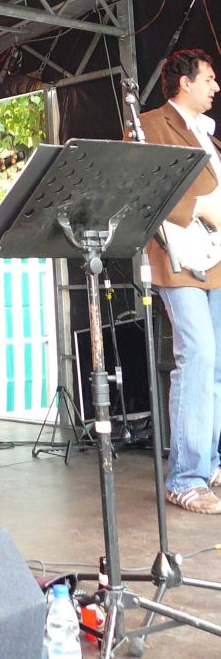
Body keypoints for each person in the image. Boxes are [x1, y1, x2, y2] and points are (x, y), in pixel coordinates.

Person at [136, 48, 221, 514]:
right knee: (198, 356)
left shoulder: (208, 135)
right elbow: (143, 186)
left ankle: (209, 461)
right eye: (208, 79)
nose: (216, 87)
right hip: (180, 259)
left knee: (216, 365)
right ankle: (185, 477)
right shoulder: (150, 124)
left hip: (216, 259)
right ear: (184, 82)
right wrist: (201, 208)